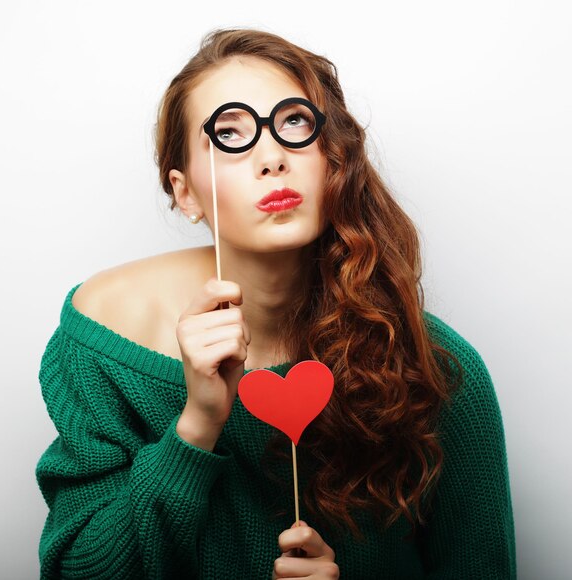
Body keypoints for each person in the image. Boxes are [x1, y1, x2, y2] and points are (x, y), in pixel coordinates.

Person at [35, 28, 517, 579]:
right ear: (186, 191)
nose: (272, 158)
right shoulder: (104, 342)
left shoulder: (439, 370)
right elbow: (76, 571)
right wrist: (197, 424)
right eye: (229, 133)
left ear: (333, 158)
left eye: (294, 123)